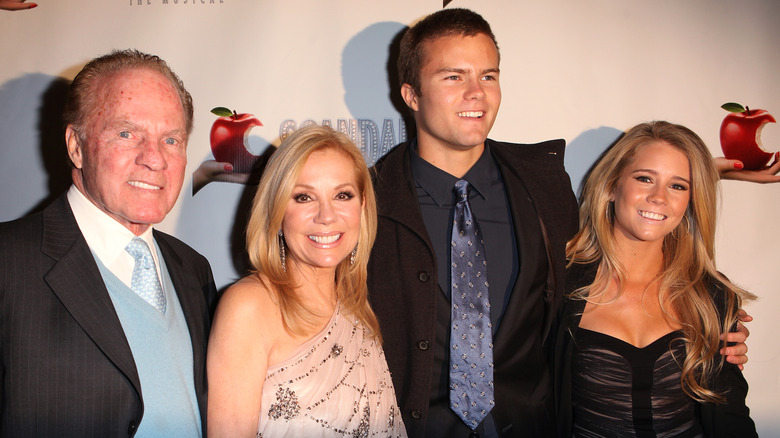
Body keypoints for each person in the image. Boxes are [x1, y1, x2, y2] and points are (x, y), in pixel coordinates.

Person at [367, 8, 753, 438]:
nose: (476, 92)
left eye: (489, 76)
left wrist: (708, 302)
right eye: (453, 77)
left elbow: (624, 230)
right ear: (412, 94)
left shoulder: (544, 183)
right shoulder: (364, 202)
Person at [0, 49, 217, 437]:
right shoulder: (6, 262)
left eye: (171, 139)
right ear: (76, 146)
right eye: (126, 133)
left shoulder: (194, 270)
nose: (154, 159)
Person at [555, 121, 757, 437]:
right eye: (645, 178)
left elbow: (731, 418)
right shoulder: (557, 288)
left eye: (678, 186)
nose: (659, 197)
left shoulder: (710, 296)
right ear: (611, 187)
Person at [206, 125, 406, 437]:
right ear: (276, 210)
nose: (327, 215)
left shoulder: (356, 306)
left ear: (363, 205)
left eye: (342, 195)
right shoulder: (249, 306)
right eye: (303, 197)